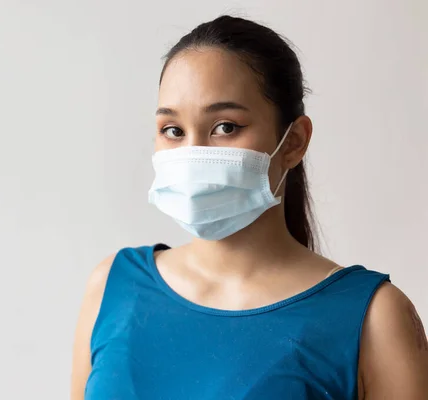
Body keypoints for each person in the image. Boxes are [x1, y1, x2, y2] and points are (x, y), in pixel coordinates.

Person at [71, 15, 428, 400]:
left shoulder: (374, 318)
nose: (194, 153)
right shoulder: (112, 287)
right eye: (173, 131)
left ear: (293, 142)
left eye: (225, 126)